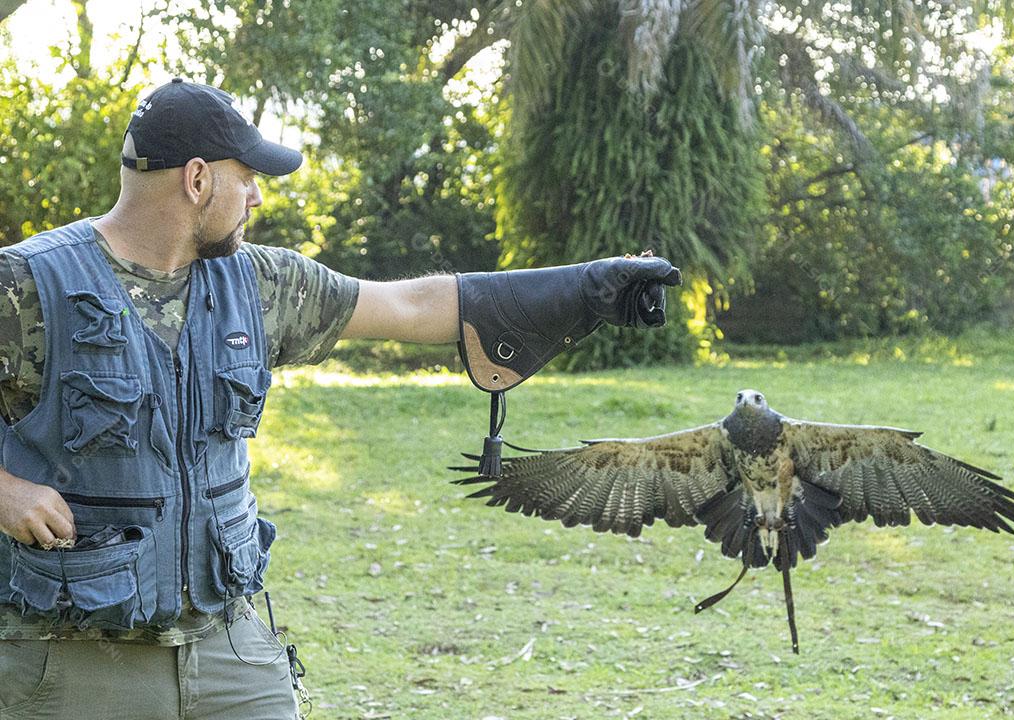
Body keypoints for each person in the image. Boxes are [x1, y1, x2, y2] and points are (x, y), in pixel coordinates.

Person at [0, 79, 681, 719]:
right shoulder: (30, 286)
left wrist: (587, 287)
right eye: (249, 177)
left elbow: (408, 305)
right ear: (198, 179)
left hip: (231, 654)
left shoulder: (260, 285)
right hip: (68, 662)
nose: (258, 197)